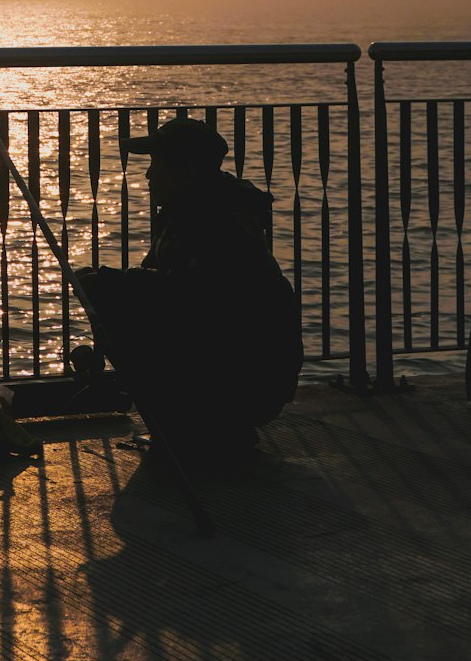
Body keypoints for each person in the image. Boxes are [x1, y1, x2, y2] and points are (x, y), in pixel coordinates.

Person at [77, 115, 303, 464]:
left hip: (250, 379)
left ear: (188, 171)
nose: (148, 175)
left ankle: (201, 421)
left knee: (116, 297)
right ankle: (188, 421)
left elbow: (199, 300)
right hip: (241, 367)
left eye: (157, 165)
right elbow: (172, 290)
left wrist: (111, 284)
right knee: (115, 294)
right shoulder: (191, 213)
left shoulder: (220, 225)